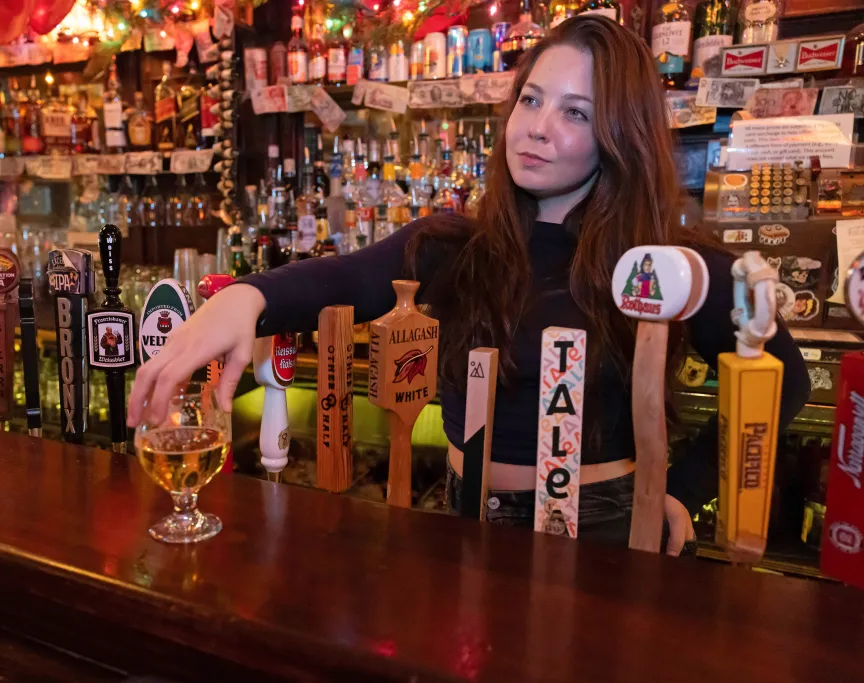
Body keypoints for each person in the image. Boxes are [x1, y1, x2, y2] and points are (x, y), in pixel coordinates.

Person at [128, 16, 810, 555]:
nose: (537, 127)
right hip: (462, 520)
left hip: (603, 532)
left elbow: (789, 383)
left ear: (618, 135)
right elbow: (346, 277)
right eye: (531, 99)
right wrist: (244, 298)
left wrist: (685, 492)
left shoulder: (663, 267)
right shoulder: (458, 246)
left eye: (575, 112)